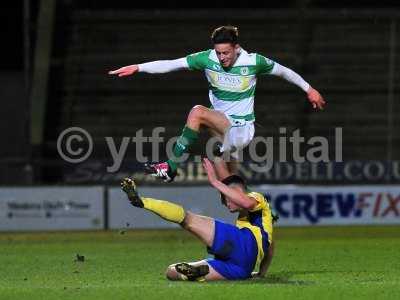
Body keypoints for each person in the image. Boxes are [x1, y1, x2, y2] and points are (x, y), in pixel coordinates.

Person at [109, 25, 326, 182]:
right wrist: (139, 67)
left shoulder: (253, 61)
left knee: (197, 112)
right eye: (219, 52)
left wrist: (310, 89)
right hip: (220, 130)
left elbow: (285, 72)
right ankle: (257, 212)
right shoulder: (207, 58)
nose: (222, 57)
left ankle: (170, 167)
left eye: (226, 52)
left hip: (241, 128)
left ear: (236, 48)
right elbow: (172, 64)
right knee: (230, 184)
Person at [120, 158, 276, 281]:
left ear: (235, 191)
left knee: (187, 219)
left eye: (226, 198)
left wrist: (215, 182)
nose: (226, 203)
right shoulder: (262, 224)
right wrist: (261, 273)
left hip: (243, 244)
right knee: (172, 271)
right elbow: (270, 247)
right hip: (242, 268)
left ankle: (142, 202)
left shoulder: (255, 197)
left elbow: (247, 202)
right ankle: (197, 272)